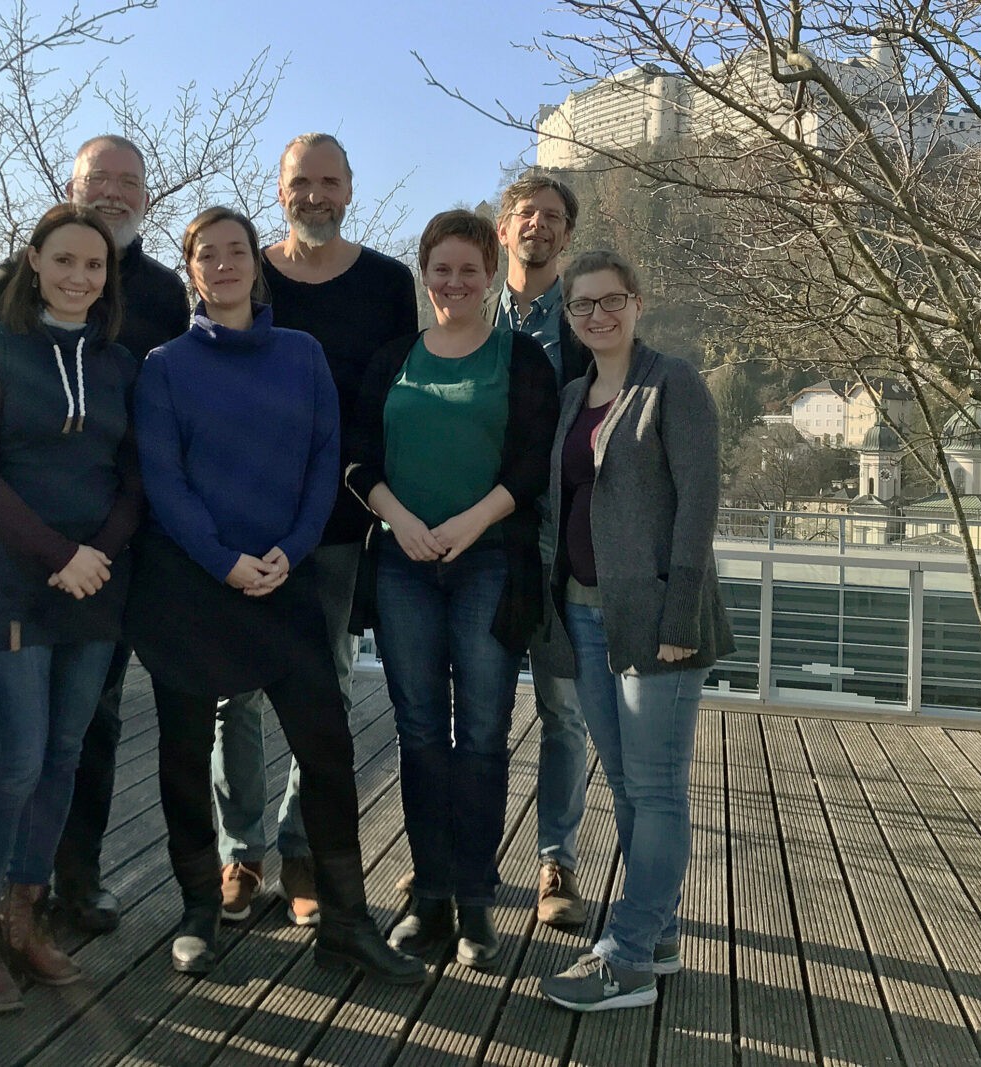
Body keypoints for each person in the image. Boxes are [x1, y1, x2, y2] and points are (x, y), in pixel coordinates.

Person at [127, 206, 423, 985]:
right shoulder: (164, 365)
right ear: (190, 268)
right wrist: (225, 561)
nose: (223, 265)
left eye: (236, 252)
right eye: (207, 254)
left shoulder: (303, 355)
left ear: (257, 266)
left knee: (327, 749)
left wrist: (289, 552)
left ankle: (347, 922)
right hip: (192, 586)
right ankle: (198, 911)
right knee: (185, 756)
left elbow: (326, 459)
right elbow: (166, 481)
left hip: (284, 578)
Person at [0, 135, 189, 933]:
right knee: (18, 742)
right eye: (100, 178)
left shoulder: (167, 294)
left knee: (90, 720)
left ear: (146, 196)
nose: (114, 191)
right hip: (19, 550)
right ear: (72, 187)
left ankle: (75, 876)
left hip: (116, 545)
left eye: (129, 181)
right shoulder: (12, 283)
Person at [213, 133, 420, 928]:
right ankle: (241, 853)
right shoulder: (247, 273)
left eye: (329, 180)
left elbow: (392, 401)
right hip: (244, 522)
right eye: (302, 181)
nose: (316, 195)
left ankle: (301, 851)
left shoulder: (386, 282)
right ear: (279, 189)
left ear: (350, 188)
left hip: (335, 522)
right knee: (236, 692)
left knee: (325, 689)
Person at [345, 210, 558, 969]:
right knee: (421, 732)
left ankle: (475, 902)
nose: (455, 282)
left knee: (485, 735)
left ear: (491, 273)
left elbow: (532, 464)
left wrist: (469, 524)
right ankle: (428, 895)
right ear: (425, 273)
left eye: (470, 269)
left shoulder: (521, 357)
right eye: (442, 268)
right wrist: (400, 520)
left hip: (489, 563)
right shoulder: (393, 357)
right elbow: (359, 460)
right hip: (404, 562)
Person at [0, 203, 143, 1013]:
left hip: (98, 582)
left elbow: (135, 476)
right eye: (64, 260)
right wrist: (58, 555)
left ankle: (28, 914)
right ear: (33, 261)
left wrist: (95, 555)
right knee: (18, 756)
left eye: (94, 266)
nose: (79, 276)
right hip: (14, 581)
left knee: (65, 752)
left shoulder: (123, 364)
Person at [535, 249, 733, 1011]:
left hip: (656, 619)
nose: (597, 315)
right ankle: (659, 933)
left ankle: (626, 958)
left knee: (656, 789)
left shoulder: (672, 382)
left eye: (609, 300)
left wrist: (681, 613)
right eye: (582, 305)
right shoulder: (573, 396)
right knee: (623, 782)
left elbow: (698, 503)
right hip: (586, 615)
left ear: (636, 302)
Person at [482, 174, 595, 929]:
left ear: (566, 234)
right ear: (502, 230)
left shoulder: (586, 321)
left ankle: (557, 857)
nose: (539, 226)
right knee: (480, 711)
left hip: (558, 536)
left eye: (553, 217)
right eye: (526, 214)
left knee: (562, 710)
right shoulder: (464, 311)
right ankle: (465, 856)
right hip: (479, 532)